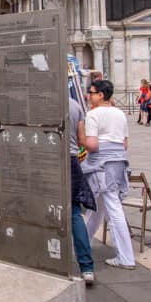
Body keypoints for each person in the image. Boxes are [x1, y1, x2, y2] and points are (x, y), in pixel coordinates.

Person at [82, 80, 136, 270]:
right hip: (118, 163)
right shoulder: (120, 113)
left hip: (100, 165)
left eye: (91, 92)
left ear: (101, 95)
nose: (89, 95)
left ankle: (126, 257)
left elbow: (92, 145)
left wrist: (82, 140)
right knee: (97, 207)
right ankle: (83, 243)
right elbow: (125, 143)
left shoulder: (93, 114)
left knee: (112, 208)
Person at [68, 96, 95, 285]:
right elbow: (82, 139)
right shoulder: (74, 104)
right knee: (75, 212)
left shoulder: (37, 98)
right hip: (70, 160)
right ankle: (87, 268)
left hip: (44, 159)